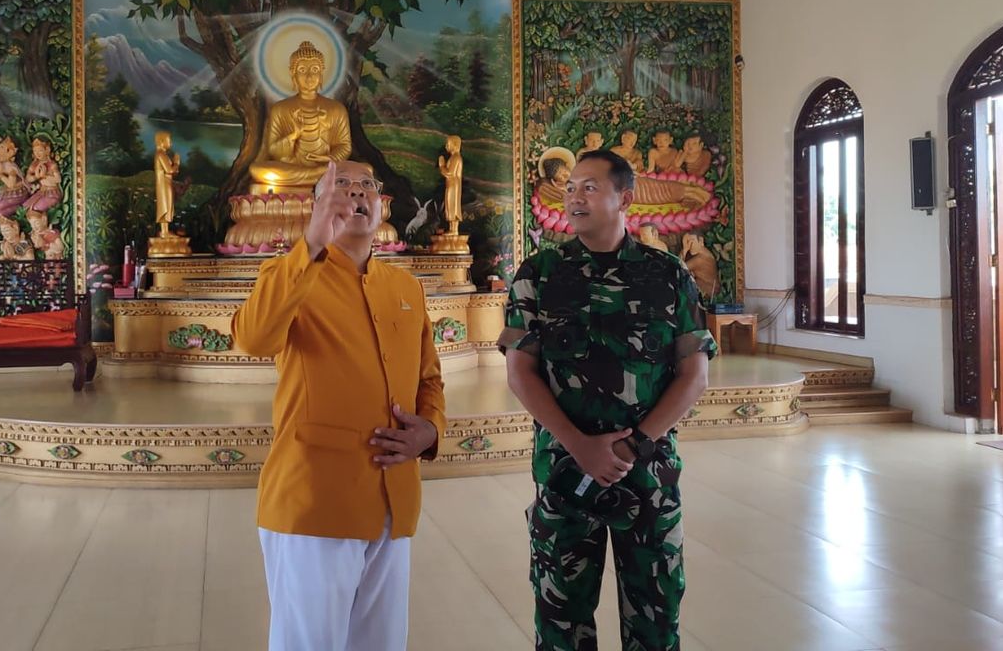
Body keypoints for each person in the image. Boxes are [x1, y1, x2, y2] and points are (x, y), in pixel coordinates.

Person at [500, 148, 717, 651]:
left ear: (626, 198)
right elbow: (521, 373)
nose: (574, 196)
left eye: (589, 187)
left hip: (647, 477)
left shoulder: (668, 275)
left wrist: (633, 445)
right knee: (561, 620)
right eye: (570, 187)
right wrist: (581, 445)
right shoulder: (540, 274)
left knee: (655, 618)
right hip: (564, 473)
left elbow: (694, 375)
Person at [232, 159, 446, 651]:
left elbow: (429, 380)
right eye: (341, 185)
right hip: (315, 500)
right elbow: (253, 339)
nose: (356, 194)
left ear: (382, 205)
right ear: (317, 204)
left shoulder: (405, 287)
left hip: (394, 498)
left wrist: (430, 430)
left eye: (366, 185)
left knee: (381, 642)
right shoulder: (290, 275)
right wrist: (308, 243)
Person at [249, 40, 353, 189]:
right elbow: (273, 150)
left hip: (326, 166)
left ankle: (323, 174)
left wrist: (330, 158)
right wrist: (293, 136)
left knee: (363, 168)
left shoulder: (336, 109)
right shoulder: (280, 109)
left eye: (315, 70)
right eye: (303, 70)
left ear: (321, 74)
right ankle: (320, 176)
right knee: (257, 170)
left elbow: (344, 146)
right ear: (293, 74)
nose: (309, 76)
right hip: (291, 167)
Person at [153, 130, 179, 236]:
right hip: (163, 184)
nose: (171, 143)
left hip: (167, 182)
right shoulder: (160, 154)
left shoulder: (164, 154)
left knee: (168, 205)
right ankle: (164, 231)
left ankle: (166, 230)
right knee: (164, 205)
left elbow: (173, 172)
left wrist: (175, 167)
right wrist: (176, 162)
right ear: (162, 141)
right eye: (169, 140)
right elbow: (169, 170)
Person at [438, 134, 463, 235]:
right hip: (451, 185)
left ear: (455, 145)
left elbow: (449, 173)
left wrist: (442, 165)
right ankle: (452, 228)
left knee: (453, 205)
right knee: (449, 205)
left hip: (454, 185)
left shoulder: (456, 158)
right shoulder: (453, 157)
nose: (446, 146)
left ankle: (454, 230)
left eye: (448, 144)